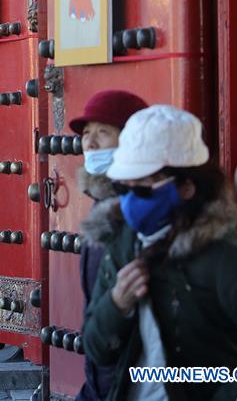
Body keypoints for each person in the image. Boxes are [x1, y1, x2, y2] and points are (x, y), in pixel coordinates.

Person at [82, 105, 237, 401]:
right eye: (122, 188)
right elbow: (96, 348)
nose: (129, 201)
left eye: (142, 189)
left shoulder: (223, 258)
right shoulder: (123, 243)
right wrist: (116, 305)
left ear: (186, 187)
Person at [70, 90, 149, 401]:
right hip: (103, 379)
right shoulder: (103, 202)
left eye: (103, 133)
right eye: (87, 133)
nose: (90, 144)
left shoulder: (139, 211)